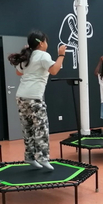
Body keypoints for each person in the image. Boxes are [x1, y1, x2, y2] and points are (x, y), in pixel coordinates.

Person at [8, 30, 66, 170]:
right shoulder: (43, 55)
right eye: (45, 41)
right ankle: (43, 158)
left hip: (21, 97)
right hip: (34, 97)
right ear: (41, 43)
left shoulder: (29, 55)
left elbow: (18, 71)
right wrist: (61, 54)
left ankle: (30, 157)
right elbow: (54, 70)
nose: (47, 44)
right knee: (41, 128)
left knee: (27, 128)